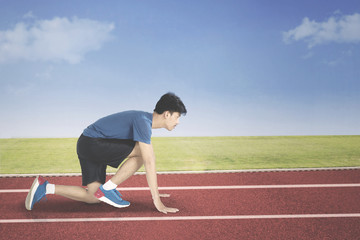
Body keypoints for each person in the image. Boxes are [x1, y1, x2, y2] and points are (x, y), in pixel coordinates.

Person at [25, 92, 187, 214]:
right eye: (178, 116)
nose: (178, 121)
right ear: (167, 114)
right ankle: (108, 188)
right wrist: (157, 200)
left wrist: (157, 193)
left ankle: (45, 187)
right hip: (92, 143)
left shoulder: (143, 120)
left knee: (93, 197)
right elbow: (149, 161)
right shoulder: (143, 122)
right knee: (143, 154)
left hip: (87, 144)